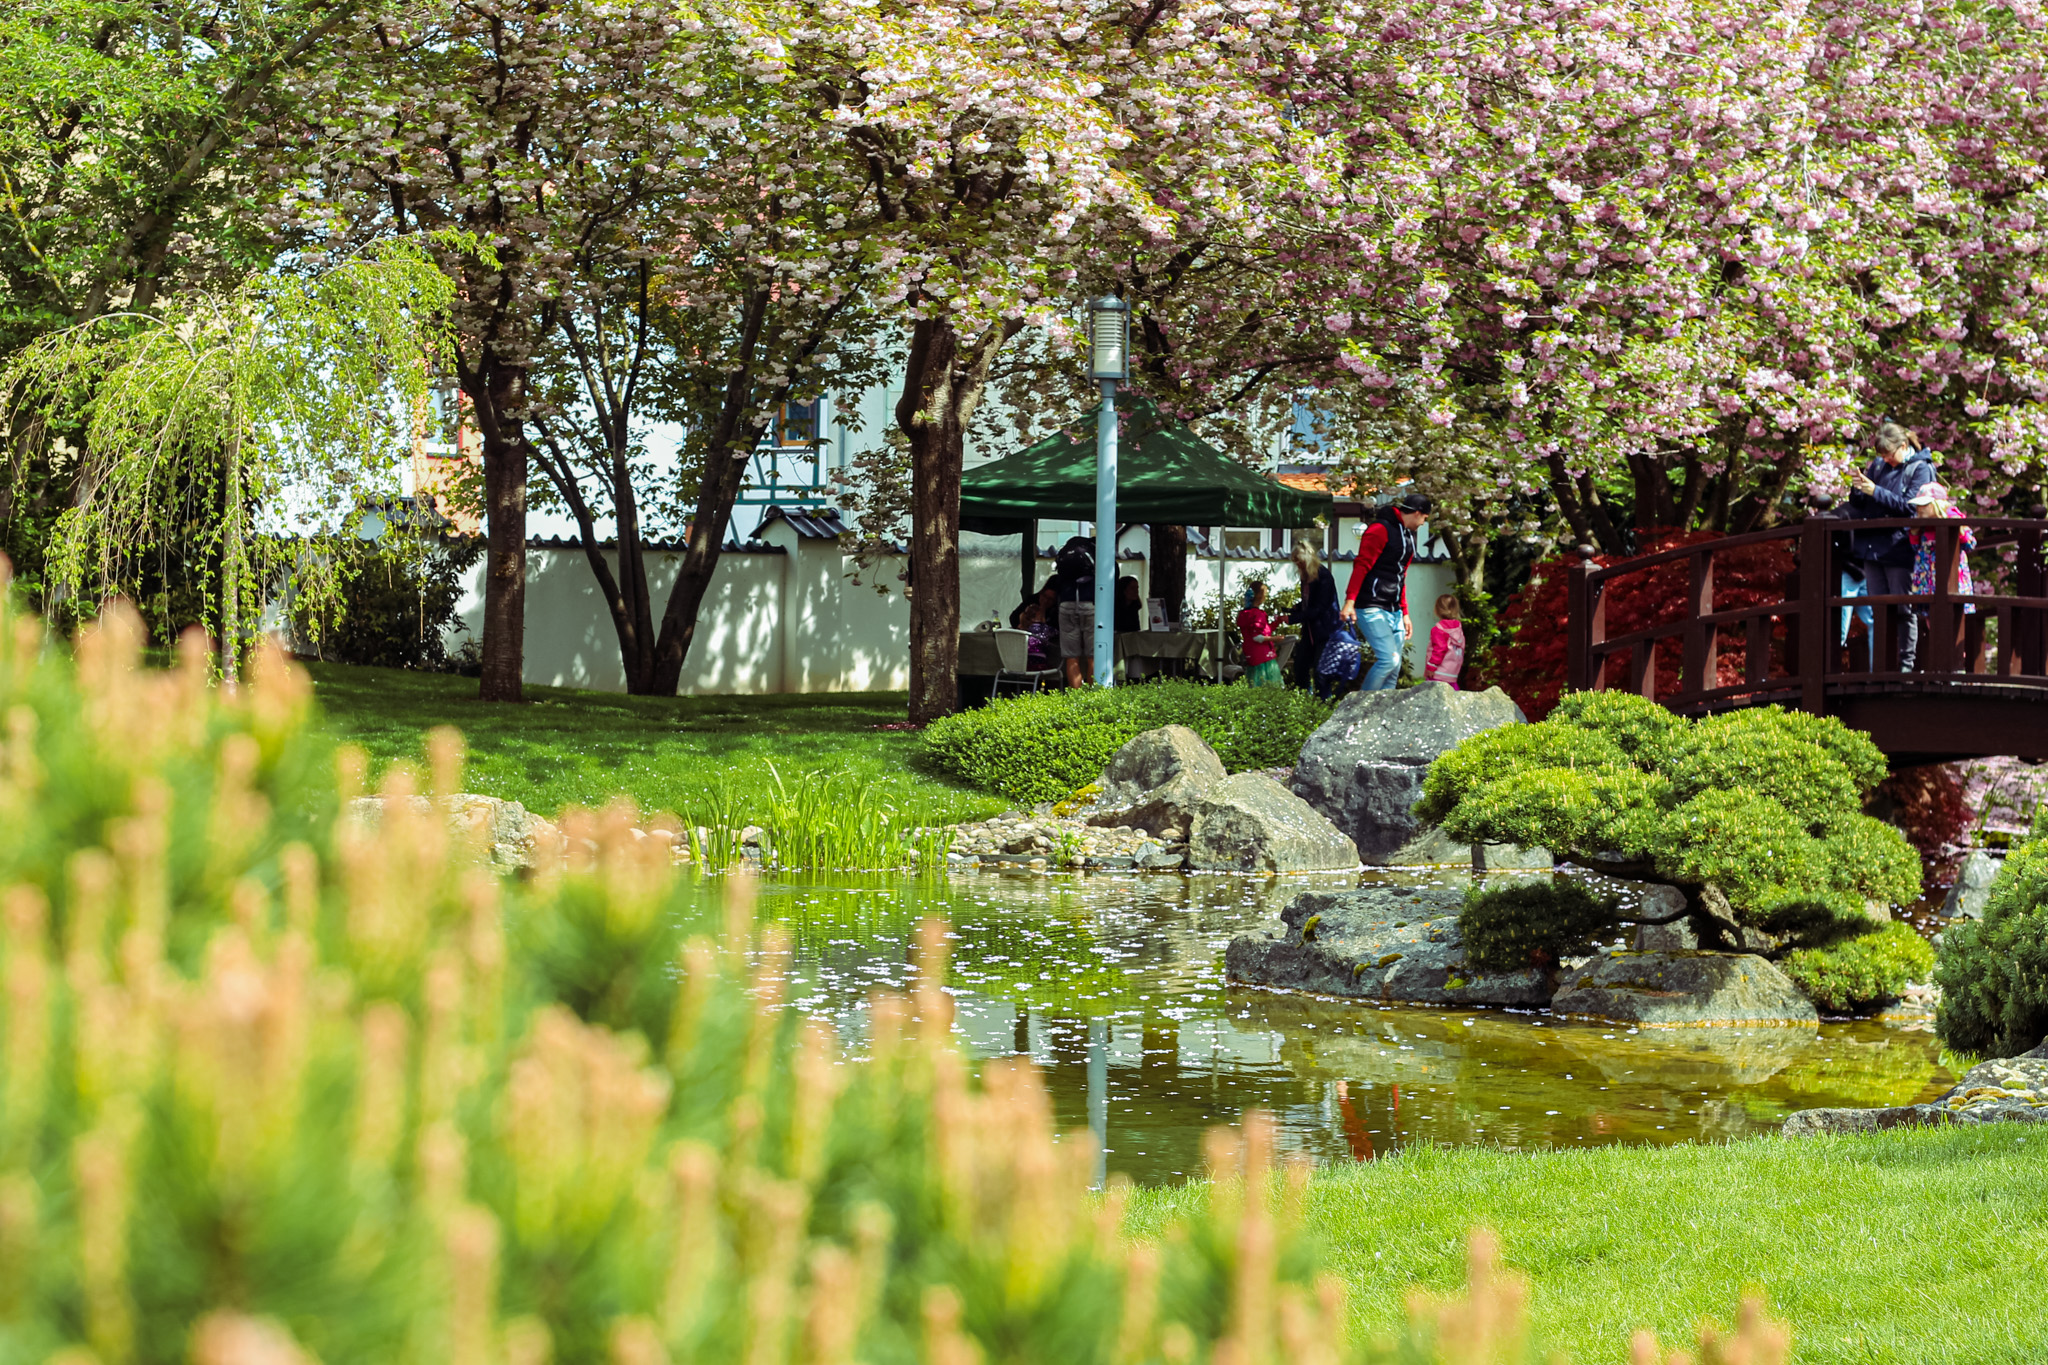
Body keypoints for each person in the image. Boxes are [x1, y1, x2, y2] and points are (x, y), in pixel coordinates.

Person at [1845, 422, 1934, 671]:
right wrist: (1858, 489)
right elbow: (1863, 504)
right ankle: (1881, 667)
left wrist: (1875, 490)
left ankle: (1906, 665)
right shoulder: (1878, 466)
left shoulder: (1920, 468)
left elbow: (1910, 507)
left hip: (1900, 547)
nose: (1886, 459)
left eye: (1889, 454)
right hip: (1872, 546)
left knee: (1904, 608)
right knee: (1879, 609)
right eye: (1882, 455)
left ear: (1903, 446)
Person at [1341, 491, 1432, 691]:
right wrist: (1350, 601)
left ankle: (1384, 708)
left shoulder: (1407, 535)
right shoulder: (1380, 529)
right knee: (1389, 660)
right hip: (1371, 606)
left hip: (1394, 610)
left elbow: (1401, 575)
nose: (1423, 523)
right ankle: (1362, 705)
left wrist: (1405, 613)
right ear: (1417, 513)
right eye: (1425, 518)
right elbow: (1361, 565)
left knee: (1394, 668)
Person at [1287, 538, 1339, 691]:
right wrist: (1296, 608)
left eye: (1300, 561)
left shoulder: (1323, 576)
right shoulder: (1305, 577)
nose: (1298, 565)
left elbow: (1320, 608)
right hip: (1310, 631)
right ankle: (1305, 698)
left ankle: (1323, 700)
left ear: (1307, 559)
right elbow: (1309, 603)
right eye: (1295, 562)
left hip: (1325, 631)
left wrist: (1292, 618)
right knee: (1300, 666)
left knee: (1320, 671)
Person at [1052, 535, 1096, 687]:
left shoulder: (1065, 557)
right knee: (1094, 656)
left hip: (1066, 605)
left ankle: (1076, 697)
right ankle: (1094, 696)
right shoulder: (1095, 554)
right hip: (1090, 605)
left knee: (1071, 656)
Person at [1237, 581, 1282, 687]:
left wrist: (1277, 622)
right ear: (1260, 596)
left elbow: (1262, 631)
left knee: (1254, 685)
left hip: (1252, 654)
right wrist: (1275, 638)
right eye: (1265, 594)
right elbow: (1257, 637)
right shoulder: (1257, 614)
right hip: (1263, 656)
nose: (1265, 597)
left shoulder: (1245, 614)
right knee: (1268, 687)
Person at [1425, 592, 1465, 688]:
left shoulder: (1439, 629)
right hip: (1452, 674)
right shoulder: (1458, 629)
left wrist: (1431, 667)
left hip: (1438, 673)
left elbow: (1439, 649)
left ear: (1437, 610)